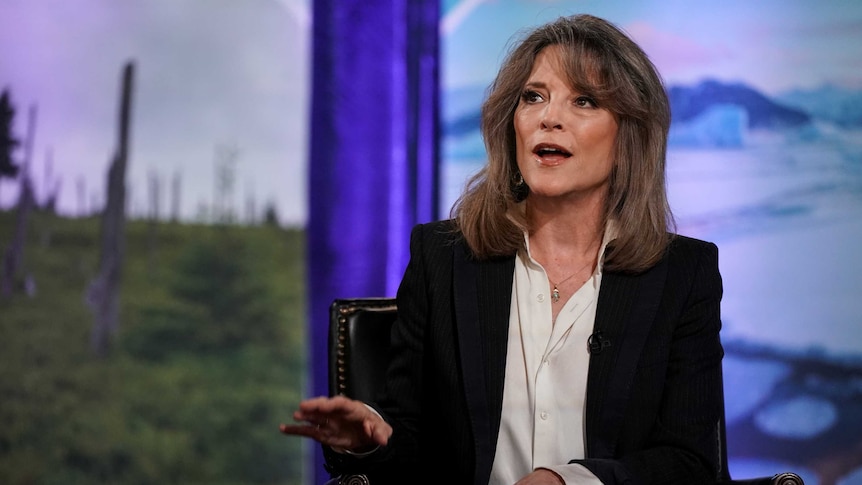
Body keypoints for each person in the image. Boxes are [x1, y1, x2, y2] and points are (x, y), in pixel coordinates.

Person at [281, 13, 725, 485]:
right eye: (533, 97)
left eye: (584, 101)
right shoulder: (443, 257)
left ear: (629, 134)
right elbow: (413, 444)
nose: (549, 117)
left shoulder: (682, 274)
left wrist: (568, 482)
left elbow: (690, 462)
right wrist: (374, 440)